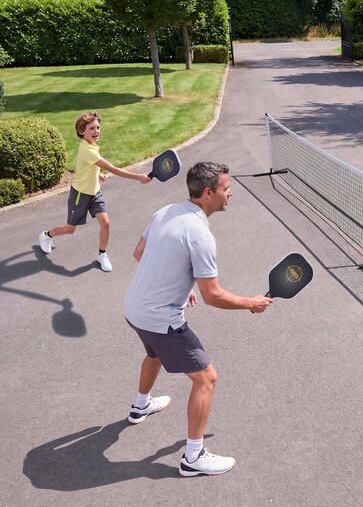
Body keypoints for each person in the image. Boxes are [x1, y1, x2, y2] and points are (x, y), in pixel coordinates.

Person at [122, 162, 273, 477]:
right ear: (208, 193)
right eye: (225, 188)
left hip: (134, 308)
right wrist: (251, 303)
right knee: (206, 378)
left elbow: (140, 252)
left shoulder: (165, 211)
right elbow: (213, 295)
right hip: (159, 317)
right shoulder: (201, 235)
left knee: (154, 352)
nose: (230, 193)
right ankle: (193, 457)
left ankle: (140, 406)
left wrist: (179, 285)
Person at [38, 112, 151, 272]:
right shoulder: (88, 150)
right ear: (81, 131)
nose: (96, 131)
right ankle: (46, 235)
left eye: (98, 127)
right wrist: (138, 177)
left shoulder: (91, 146)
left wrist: (97, 174)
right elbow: (112, 168)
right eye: (91, 128)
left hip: (94, 192)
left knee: (105, 223)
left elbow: (83, 165)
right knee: (70, 229)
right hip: (80, 194)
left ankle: (101, 255)